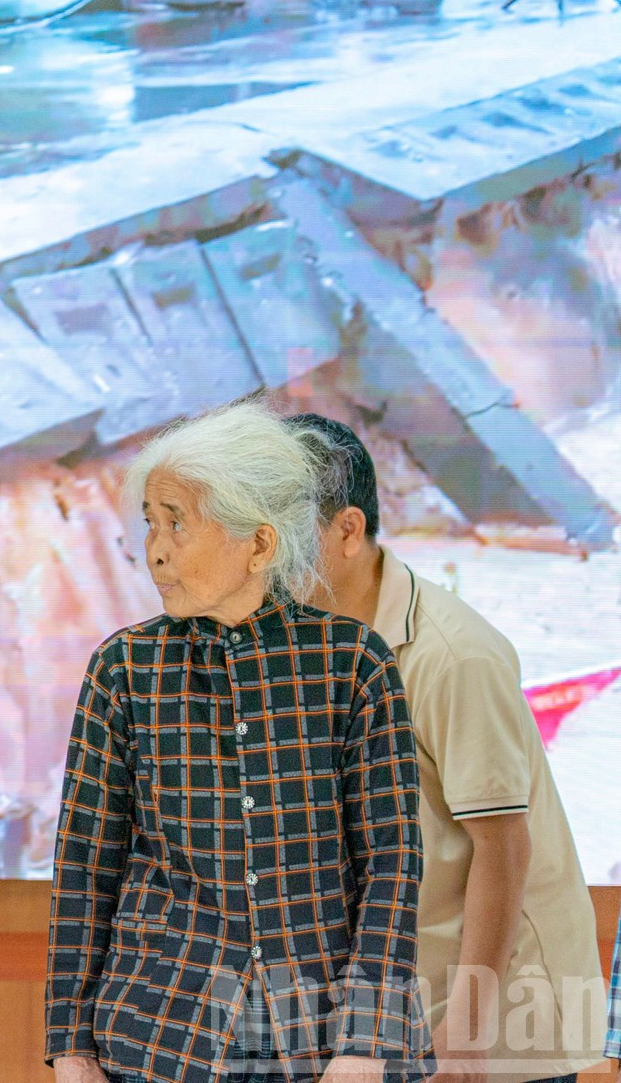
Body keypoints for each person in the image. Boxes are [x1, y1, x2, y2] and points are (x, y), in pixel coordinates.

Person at [45, 402, 426, 1083]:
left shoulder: (353, 664)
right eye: (150, 523)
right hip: (159, 1035)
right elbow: (84, 866)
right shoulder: (125, 668)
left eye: (178, 522)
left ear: (260, 542)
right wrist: (70, 1044)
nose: (155, 548)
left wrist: (366, 1041)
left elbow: (391, 864)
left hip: (321, 1042)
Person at [295, 413, 603, 1083]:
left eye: (278, 532)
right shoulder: (303, 642)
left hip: (495, 1020)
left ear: (347, 530)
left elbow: (503, 847)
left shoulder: (454, 654)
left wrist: (463, 1035)